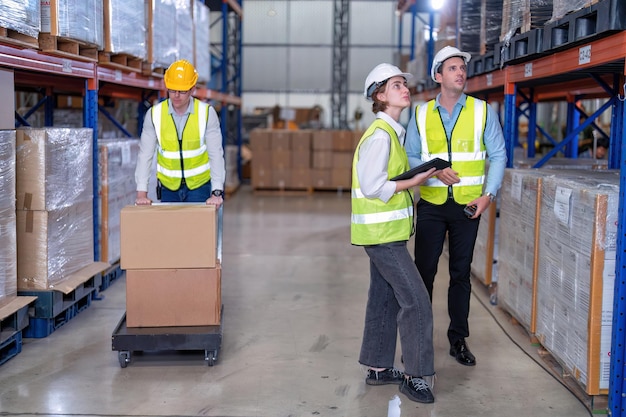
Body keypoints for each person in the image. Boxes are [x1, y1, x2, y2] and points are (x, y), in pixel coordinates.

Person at [405, 46, 507, 367]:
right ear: (438, 76)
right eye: (452, 68)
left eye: (462, 68)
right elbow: (410, 157)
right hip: (432, 205)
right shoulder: (421, 114)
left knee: (460, 274)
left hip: (468, 207)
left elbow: (499, 155)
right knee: (424, 273)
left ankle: (458, 339)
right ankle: (419, 339)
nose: (460, 72)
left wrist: (487, 196)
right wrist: (433, 169)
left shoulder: (482, 111)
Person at [352, 63, 438, 404]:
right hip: (382, 236)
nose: (405, 89)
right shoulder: (380, 136)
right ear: (380, 95)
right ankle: (416, 377)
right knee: (416, 302)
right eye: (397, 84)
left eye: (404, 84)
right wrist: (415, 181)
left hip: (385, 233)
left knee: (384, 298)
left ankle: (376, 367)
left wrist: (423, 172)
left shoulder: (390, 134)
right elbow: (373, 186)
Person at [134, 59, 225, 208]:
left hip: (199, 187)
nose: (176, 95)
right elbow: (145, 155)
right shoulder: (155, 114)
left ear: (192, 89)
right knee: (171, 231)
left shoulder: (206, 113)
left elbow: (215, 154)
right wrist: (141, 192)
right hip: (168, 188)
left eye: (182, 91)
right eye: (172, 89)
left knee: (196, 231)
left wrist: (216, 192)